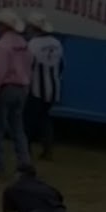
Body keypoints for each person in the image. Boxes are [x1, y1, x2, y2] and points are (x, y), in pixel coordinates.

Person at [0, 10, 33, 178]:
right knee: (18, 128)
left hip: (5, 88)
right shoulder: (23, 44)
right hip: (21, 88)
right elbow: (29, 67)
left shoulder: (2, 45)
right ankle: (24, 163)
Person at [25, 13, 64, 161]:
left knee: (28, 121)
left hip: (36, 89)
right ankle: (48, 149)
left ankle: (26, 150)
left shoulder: (32, 45)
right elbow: (62, 65)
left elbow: (28, 67)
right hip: (53, 88)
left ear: (34, 28)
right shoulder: (57, 43)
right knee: (45, 119)